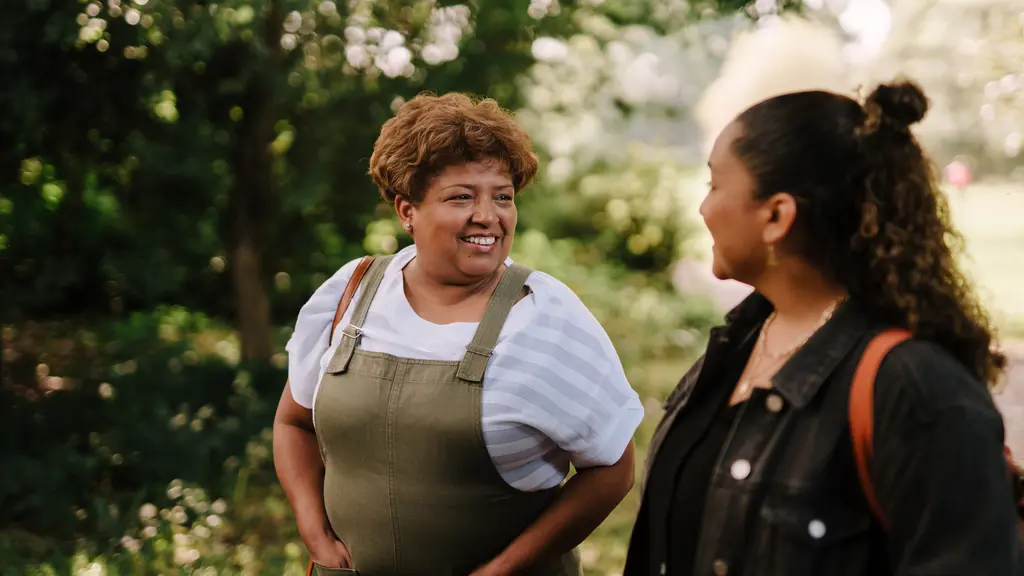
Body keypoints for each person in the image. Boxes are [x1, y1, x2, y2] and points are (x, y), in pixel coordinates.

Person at [623, 79, 1024, 576]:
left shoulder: (918, 391)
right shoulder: (735, 347)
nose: (704, 207)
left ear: (776, 215)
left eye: (715, 185)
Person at [273, 92, 644, 576]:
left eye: (502, 196)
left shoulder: (545, 319)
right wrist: (315, 534)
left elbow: (614, 468)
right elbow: (293, 422)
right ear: (407, 210)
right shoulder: (353, 291)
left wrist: (505, 569)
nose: (488, 216)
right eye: (461, 196)